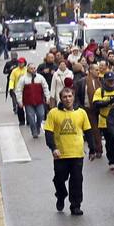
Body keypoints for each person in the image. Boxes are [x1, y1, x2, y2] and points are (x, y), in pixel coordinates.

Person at [43, 87, 89, 216]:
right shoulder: (53, 113)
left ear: (73, 97)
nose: (67, 99)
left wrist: (93, 148)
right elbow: (48, 133)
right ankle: (61, 194)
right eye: (65, 97)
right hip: (60, 154)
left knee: (77, 180)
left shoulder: (81, 113)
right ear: (61, 99)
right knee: (59, 179)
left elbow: (88, 130)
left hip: (77, 153)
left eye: (70, 96)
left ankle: (75, 205)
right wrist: (53, 148)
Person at [14, 62, 51, 139]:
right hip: (28, 102)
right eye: (31, 68)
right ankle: (34, 131)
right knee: (30, 117)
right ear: (28, 69)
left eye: (34, 68)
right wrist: (19, 101)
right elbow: (19, 90)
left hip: (39, 101)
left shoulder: (40, 78)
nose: (33, 70)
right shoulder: (23, 79)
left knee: (41, 115)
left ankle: (38, 127)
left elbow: (45, 88)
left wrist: (48, 97)